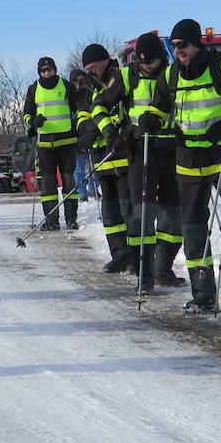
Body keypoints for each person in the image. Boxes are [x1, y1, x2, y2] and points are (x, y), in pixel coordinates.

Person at [141, 19, 221, 314]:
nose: (177, 50)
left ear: (196, 44)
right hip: (187, 160)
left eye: (182, 44)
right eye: (173, 45)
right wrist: (151, 118)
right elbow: (159, 107)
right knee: (194, 230)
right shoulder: (170, 75)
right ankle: (203, 295)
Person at [123, 32, 185, 288]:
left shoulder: (174, 74)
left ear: (162, 58)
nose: (146, 66)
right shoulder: (128, 76)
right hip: (141, 150)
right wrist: (117, 132)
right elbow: (101, 105)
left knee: (172, 214)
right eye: (142, 61)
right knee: (143, 214)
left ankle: (163, 268)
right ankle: (143, 272)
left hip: (171, 149)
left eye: (151, 62)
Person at [80, 43, 132, 273]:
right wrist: (88, 129)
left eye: (94, 65)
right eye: (88, 67)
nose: (91, 70)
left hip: (122, 151)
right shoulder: (86, 88)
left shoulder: (120, 77)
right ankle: (119, 253)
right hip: (101, 155)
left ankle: (135, 256)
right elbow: (82, 115)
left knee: (127, 206)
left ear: (104, 60)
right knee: (110, 209)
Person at [22, 57, 79, 230]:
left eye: (50, 70)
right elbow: (26, 115)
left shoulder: (67, 86)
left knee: (69, 181)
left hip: (67, 141)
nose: (47, 73)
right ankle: (51, 220)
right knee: (47, 183)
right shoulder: (33, 89)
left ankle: (71, 219)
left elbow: (77, 109)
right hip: (45, 143)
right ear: (39, 72)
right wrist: (33, 121)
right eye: (44, 71)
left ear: (55, 69)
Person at [69, 69, 99, 202]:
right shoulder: (71, 97)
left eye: (82, 80)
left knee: (94, 165)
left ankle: (93, 189)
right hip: (76, 137)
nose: (79, 83)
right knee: (79, 169)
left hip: (90, 133)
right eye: (76, 80)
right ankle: (82, 193)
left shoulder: (90, 93)